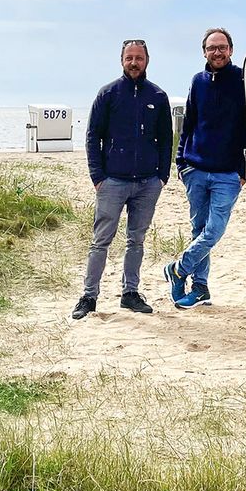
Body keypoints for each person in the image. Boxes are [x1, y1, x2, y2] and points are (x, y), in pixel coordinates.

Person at [72, 39, 173, 320]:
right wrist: (98, 177)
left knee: (136, 241)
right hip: (112, 182)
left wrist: (162, 176)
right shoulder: (108, 94)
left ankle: (130, 294)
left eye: (139, 58)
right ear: (121, 60)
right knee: (100, 241)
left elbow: (166, 139)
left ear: (147, 61)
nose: (134, 63)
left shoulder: (158, 96)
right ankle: (89, 296)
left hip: (147, 183)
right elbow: (93, 137)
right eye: (129, 58)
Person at [164, 27, 246, 309]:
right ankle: (200, 288)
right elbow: (188, 124)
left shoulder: (242, 79)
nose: (217, 52)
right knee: (198, 230)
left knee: (213, 230)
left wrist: (244, 170)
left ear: (231, 50)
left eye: (222, 47)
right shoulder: (197, 81)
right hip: (196, 169)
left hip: (227, 173)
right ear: (204, 52)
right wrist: (181, 162)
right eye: (212, 48)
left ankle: (178, 269)